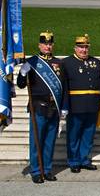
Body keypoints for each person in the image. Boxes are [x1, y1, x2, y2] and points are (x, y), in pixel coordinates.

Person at [17, 31, 66, 183]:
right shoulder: (32, 62)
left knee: (50, 140)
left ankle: (47, 169)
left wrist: (64, 107)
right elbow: (20, 85)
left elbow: (64, 87)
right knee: (36, 140)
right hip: (38, 106)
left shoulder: (59, 63)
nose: (47, 46)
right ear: (39, 45)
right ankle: (36, 171)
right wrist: (22, 73)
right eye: (45, 44)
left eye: (50, 44)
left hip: (54, 106)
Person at [62, 34, 100, 173]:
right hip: (75, 105)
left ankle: (84, 159)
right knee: (74, 135)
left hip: (92, 104)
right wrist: (64, 106)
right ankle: (74, 161)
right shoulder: (67, 63)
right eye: (81, 47)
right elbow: (64, 86)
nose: (84, 50)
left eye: (86, 47)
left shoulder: (96, 62)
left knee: (88, 133)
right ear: (75, 48)